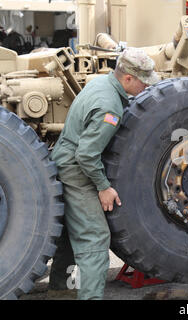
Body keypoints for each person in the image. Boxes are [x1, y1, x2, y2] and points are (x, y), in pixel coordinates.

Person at [47, 47, 159, 300]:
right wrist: (103, 187)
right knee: (95, 238)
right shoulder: (109, 106)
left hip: (64, 161)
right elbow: (86, 154)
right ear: (128, 78)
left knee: (71, 231)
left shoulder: (102, 85)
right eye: (144, 81)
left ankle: (60, 289)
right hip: (77, 170)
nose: (146, 87)